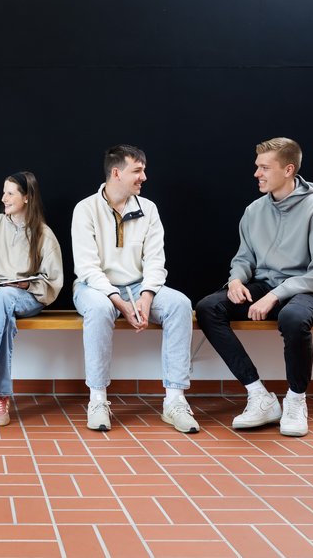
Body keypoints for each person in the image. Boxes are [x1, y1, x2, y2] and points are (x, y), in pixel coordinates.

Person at [195, 137, 313, 437]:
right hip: (265, 282)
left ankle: (296, 401)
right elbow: (243, 257)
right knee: (208, 307)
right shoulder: (254, 211)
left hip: (309, 288)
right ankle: (259, 396)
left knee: (293, 317)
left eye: (264, 167)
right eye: (256, 166)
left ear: (288, 170)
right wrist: (236, 279)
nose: (257, 174)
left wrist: (277, 295)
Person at [72, 145, 198, 434]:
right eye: (137, 171)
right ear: (117, 173)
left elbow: (156, 260)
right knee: (102, 308)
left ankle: (175, 401)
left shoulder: (148, 208)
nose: (144, 177)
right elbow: (88, 268)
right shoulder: (85, 209)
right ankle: (98, 399)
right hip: (94, 287)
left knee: (179, 304)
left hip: (140, 286)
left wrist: (146, 295)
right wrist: (119, 302)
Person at [0, 172, 63, 426]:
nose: (3, 198)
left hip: (26, 297)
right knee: (1, 304)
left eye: (10, 193)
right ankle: (0, 395)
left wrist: (25, 283)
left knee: (5, 297)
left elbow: (52, 282)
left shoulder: (44, 234)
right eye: (3, 192)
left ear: (27, 197)